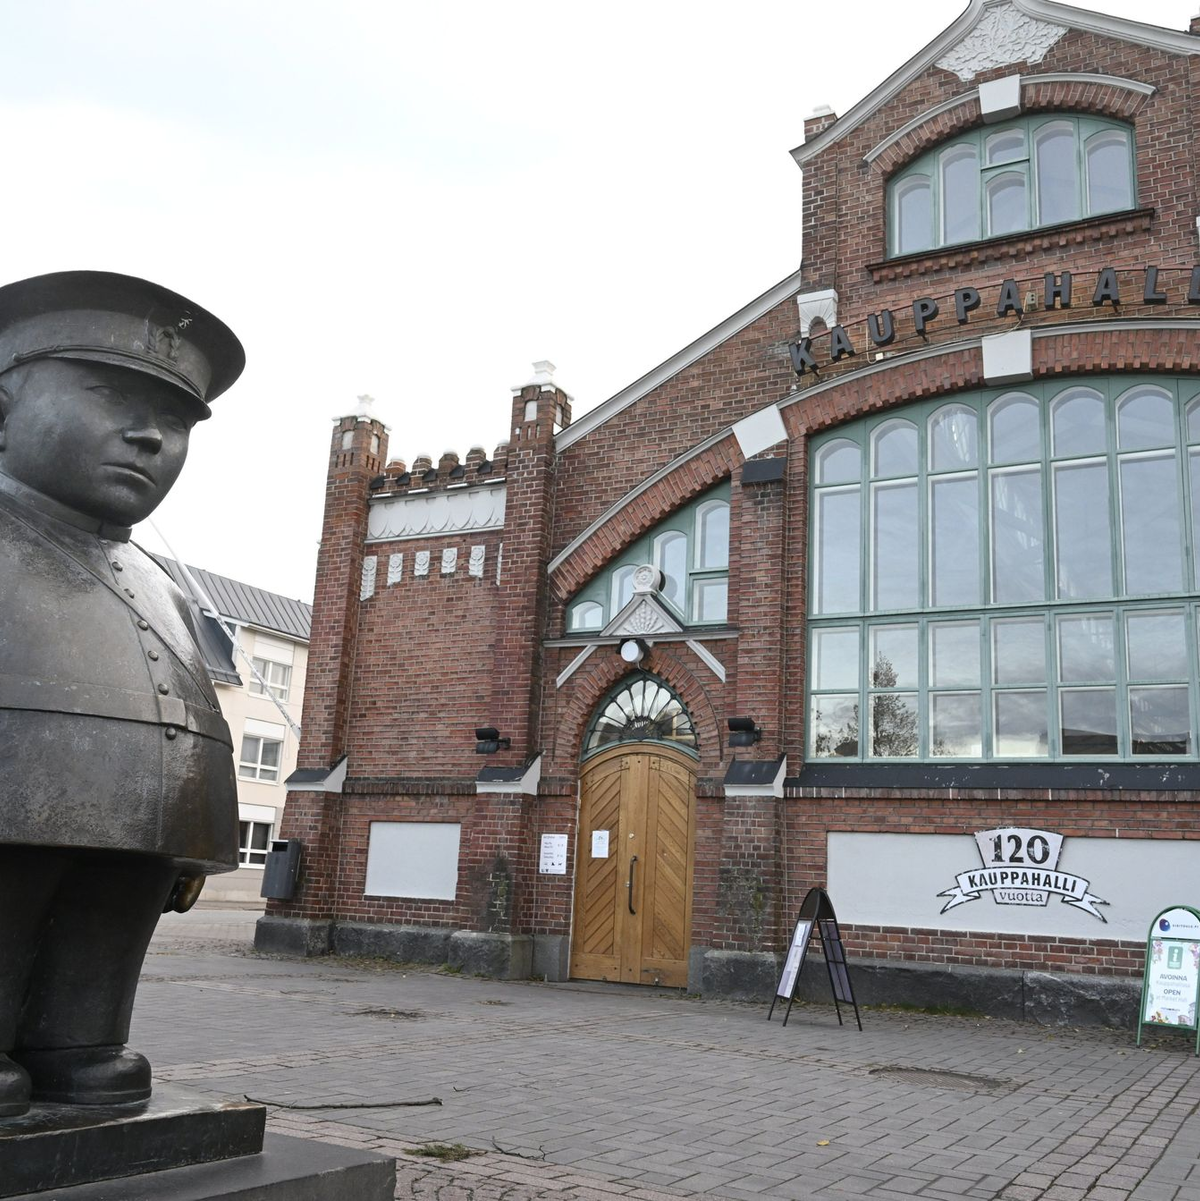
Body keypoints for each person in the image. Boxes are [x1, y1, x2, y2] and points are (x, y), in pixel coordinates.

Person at [0, 271, 244, 1115]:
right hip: (12, 801)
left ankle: (80, 1038)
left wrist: (185, 830)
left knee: (107, 917)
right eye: (112, 400)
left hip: (140, 820)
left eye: (174, 423)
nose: (149, 439)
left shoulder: (160, 580)